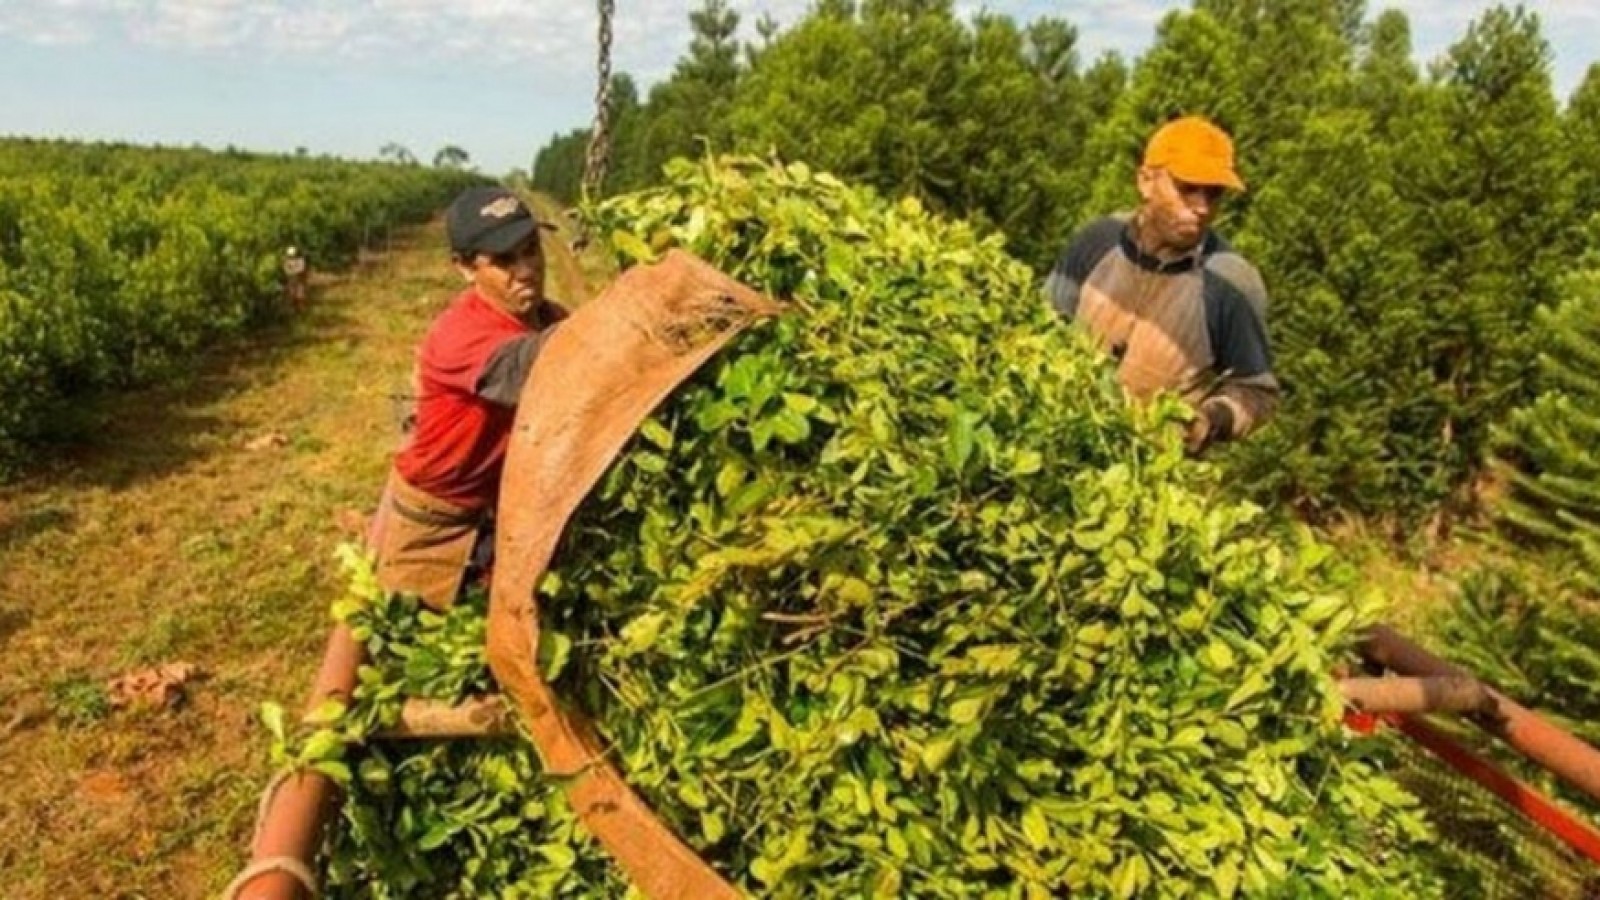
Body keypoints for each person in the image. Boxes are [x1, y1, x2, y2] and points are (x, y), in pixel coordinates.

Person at [371, 186, 567, 609]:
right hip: (439, 525)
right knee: (425, 649)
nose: (527, 269)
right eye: (504, 261)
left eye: (531, 250)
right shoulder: (461, 335)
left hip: (499, 512)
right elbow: (542, 368)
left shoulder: (550, 318)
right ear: (464, 268)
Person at [1045, 115, 1278, 453]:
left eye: (1213, 195)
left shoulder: (1230, 281)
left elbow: (1258, 392)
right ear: (1146, 182)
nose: (1201, 208)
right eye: (1187, 189)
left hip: (1149, 473)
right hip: (1058, 448)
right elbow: (1041, 328)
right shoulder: (1096, 241)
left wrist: (1212, 418)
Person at [282, 246, 309, 312]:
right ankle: (293, 308)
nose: (292, 257)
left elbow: (302, 268)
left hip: (299, 279)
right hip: (291, 279)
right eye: (290, 255)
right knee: (292, 293)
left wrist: (294, 271)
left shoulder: (300, 260)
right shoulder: (287, 261)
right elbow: (286, 268)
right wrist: (290, 272)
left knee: (300, 294)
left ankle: (301, 308)